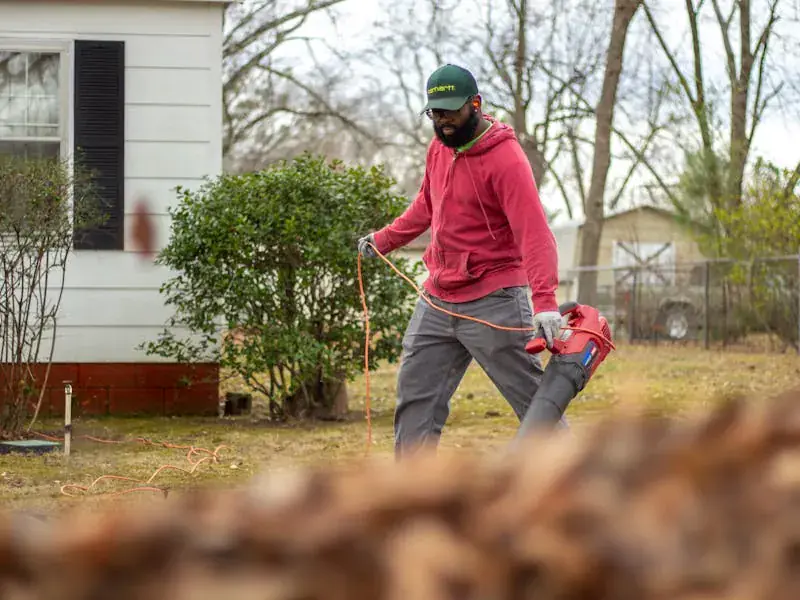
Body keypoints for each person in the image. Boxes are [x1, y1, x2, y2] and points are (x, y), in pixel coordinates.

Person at [358, 64, 564, 458]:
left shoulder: (506, 160)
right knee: (415, 395)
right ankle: (413, 493)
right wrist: (384, 240)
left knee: (534, 401)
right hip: (438, 297)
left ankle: (575, 480)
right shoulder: (439, 147)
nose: (443, 121)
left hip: (495, 301)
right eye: (435, 113)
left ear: (476, 104)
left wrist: (546, 303)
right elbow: (426, 205)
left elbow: (534, 233)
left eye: (451, 111)